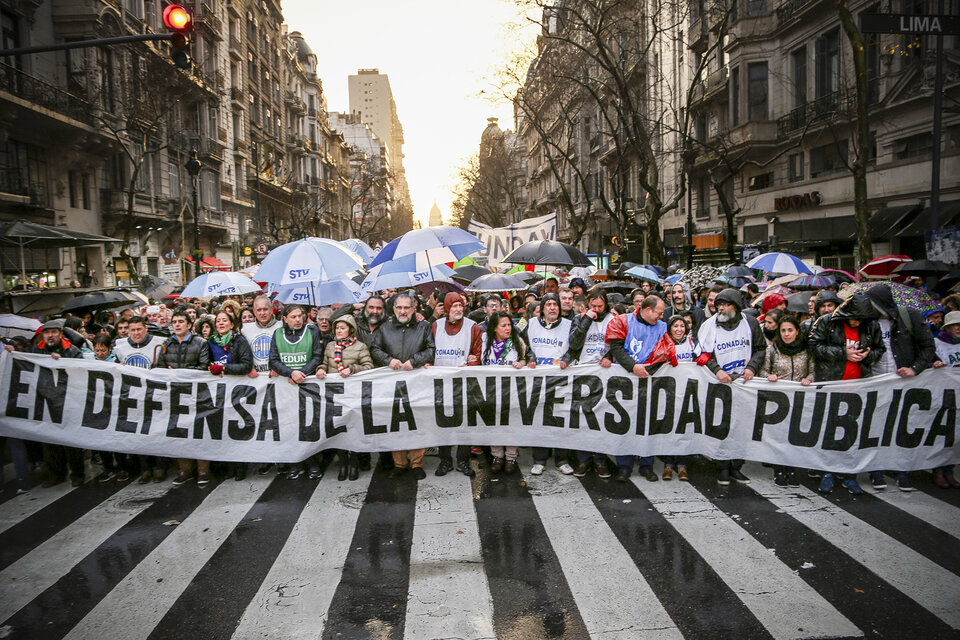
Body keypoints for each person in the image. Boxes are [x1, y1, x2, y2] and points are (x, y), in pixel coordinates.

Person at [808, 293, 885, 494]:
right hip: (832, 384)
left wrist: (868, 355)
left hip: (858, 387)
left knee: (852, 434)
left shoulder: (871, 325)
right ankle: (827, 472)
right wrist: (844, 353)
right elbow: (814, 346)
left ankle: (849, 476)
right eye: (854, 318)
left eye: (861, 319)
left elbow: (880, 349)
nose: (857, 322)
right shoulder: (827, 322)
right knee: (829, 431)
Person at [864, 284, 936, 491]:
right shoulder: (868, 321)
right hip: (875, 381)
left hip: (903, 383)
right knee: (875, 427)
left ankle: (901, 471)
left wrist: (915, 368)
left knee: (901, 427)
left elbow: (928, 346)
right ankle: (876, 470)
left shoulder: (909, 317)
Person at [696, 288, 766, 485]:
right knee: (722, 426)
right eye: (718, 305)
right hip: (721, 384)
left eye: (725, 305)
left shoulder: (750, 323)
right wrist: (717, 370)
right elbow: (701, 354)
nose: (721, 309)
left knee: (742, 427)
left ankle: (736, 466)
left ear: (735, 307)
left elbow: (761, 349)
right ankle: (722, 467)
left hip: (744, 383)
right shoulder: (709, 325)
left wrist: (752, 367)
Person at [370, 291, 435, 480]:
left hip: (417, 383)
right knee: (395, 422)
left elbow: (431, 350)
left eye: (407, 307)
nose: (403, 311)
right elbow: (375, 349)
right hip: (392, 383)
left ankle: (417, 463)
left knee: (417, 421)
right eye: (399, 307)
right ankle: (399, 463)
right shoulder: (385, 327)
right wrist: (388, 360)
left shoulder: (424, 327)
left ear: (414, 309)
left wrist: (414, 361)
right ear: (394, 308)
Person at [605, 295, 669, 482]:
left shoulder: (662, 327)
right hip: (625, 380)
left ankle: (646, 465)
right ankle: (624, 466)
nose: (661, 316)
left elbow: (665, 352)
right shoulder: (623, 321)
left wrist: (649, 369)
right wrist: (633, 366)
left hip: (649, 381)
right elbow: (616, 348)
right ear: (648, 310)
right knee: (623, 424)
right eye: (659, 312)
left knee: (647, 424)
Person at [269, 304, 327, 479]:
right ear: (285, 319)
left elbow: (318, 355)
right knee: (289, 426)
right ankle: (295, 462)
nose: (298, 319)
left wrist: (301, 372)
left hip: (306, 385)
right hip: (286, 387)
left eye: (300, 316)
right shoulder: (277, 334)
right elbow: (273, 360)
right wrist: (290, 372)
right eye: (293, 317)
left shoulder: (312, 331)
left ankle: (313, 462)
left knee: (309, 425)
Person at [428, 292, 481, 477]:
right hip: (441, 383)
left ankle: (463, 460)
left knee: (464, 422)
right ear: (447, 308)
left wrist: (472, 362)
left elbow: (478, 353)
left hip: (464, 383)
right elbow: (428, 349)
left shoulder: (472, 327)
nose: (459, 309)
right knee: (443, 422)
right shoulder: (435, 326)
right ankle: (445, 460)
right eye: (455, 306)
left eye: (461, 306)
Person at [156, 309, 211, 486]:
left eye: (181, 321)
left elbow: (204, 367)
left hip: (197, 394)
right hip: (174, 395)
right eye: (175, 322)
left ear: (189, 325)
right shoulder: (166, 344)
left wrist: (181, 373)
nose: (177, 324)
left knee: (198, 432)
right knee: (178, 433)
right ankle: (184, 470)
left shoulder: (201, 343)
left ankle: (203, 471)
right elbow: (159, 368)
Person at [28, 320, 85, 487]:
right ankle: (56, 475)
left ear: (60, 334)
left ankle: (77, 474)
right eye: (47, 333)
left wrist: (62, 362)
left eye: (54, 332)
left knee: (71, 441)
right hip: (47, 401)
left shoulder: (72, 351)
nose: (50, 336)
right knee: (50, 441)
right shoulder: (36, 350)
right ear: (42, 335)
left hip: (68, 401)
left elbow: (81, 371)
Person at [522, 293, 575, 476]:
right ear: (542, 308)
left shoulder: (569, 325)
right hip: (538, 379)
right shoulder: (531, 324)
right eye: (548, 304)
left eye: (555, 304)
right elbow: (523, 344)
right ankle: (539, 460)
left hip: (560, 378)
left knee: (560, 419)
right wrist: (529, 357)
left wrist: (567, 359)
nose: (552, 308)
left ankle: (562, 460)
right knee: (539, 418)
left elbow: (576, 346)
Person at [759, 315, 814, 487]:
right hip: (779, 400)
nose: (786, 334)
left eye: (790, 330)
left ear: (797, 331)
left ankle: (792, 468)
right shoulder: (773, 350)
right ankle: (779, 468)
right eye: (783, 330)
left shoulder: (806, 350)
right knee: (779, 435)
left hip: (799, 398)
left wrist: (809, 379)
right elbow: (762, 371)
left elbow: (813, 371)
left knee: (795, 434)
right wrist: (770, 376)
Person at [318, 314, 374, 481]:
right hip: (334, 394)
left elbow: (369, 366)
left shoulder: (360, 346)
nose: (339, 331)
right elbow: (325, 363)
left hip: (353, 394)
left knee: (354, 428)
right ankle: (343, 463)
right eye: (337, 328)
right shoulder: (330, 346)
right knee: (339, 429)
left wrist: (352, 369)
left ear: (351, 329)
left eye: (343, 328)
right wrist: (320, 369)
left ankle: (354, 462)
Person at [568, 288, 614, 477]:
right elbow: (574, 344)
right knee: (583, 418)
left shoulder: (613, 320)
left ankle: (600, 459)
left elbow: (619, 344)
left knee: (601, 418)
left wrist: (610, 356)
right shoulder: (579, 319)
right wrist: (586, 319)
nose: (597, 309)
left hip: (604, 374)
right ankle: (583, 460)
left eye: (600, 306)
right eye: (593, 306)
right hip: (583, 372)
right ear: (587, 305)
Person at [207, 310, 254, 480]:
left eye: (224, 320)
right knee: (221, 428)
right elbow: (204, 364)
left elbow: (246, 365)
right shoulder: (210, 342)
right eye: (218, 321)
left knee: (236, 429)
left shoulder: (239, 340)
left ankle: (240, 466)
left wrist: (225, 368)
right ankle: (226, 466)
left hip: (236, 391)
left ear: (232, 324)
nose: (221, 323)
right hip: (218, 392)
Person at [481, 311, 528, 473]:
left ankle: (510, 458)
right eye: (504, 326)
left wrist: (522, 363)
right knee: (494, 425)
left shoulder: (517, 342)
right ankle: (497, 456)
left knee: (511, 424)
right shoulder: (484, 341)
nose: (508, 328)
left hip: (512, 391)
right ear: (494, 328)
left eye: (509, 325)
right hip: (490, 391)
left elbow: (525, 359)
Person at [660, 314, 699, 481]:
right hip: (668, 393)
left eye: (682, 326)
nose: (679, 329)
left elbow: (701, 363)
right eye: (675, 326)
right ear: (670, 328)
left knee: (685, 428)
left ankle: (682, 465)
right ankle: (668, 464)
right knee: (669, 428)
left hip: (687, 393)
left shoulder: (692, 344)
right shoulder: (663, 344)